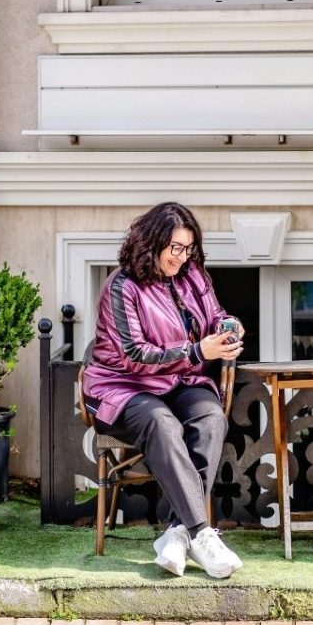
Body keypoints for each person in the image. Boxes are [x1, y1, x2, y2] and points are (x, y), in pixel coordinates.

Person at [82, 202, 245, 579]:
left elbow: (215, 314)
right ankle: (202, 533)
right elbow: (135, 355)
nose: (182, 257)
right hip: (121, 388)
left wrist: (229, 326)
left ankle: (177, 532)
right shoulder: (121, 287)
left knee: (210, 417)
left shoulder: (194, 276)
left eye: (189, 249)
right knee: (163, 423)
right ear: (151, 242)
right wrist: (197, 351)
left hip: (179, 380)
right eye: (176, 248)